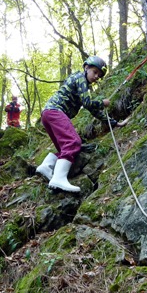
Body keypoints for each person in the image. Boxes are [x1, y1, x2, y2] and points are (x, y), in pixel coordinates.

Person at [36, 56, 123, 192]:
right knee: (73, 142)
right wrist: (102, 103)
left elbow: (92, 109)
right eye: (95, 72)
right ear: (86, 67)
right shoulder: (80, 78)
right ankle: (58, 178)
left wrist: (113, 122)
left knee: (64, 148)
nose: (96, 77)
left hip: (47, 114)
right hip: (55, 112)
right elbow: (88, 103)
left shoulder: (78, 80)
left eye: (99, 76)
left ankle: (46, 166)